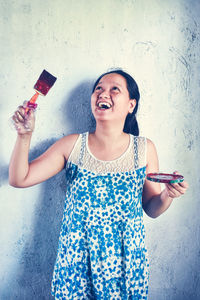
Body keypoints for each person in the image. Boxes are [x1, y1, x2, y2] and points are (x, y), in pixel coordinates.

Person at [9, 69, 188, 299]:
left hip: (126, 268)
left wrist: (168, 195)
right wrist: (24, 135)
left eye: (115, 89)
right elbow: (19, 179)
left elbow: (152, 208)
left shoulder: (144, 149)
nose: (103, 93)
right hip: (75, 266)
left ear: (131, 105)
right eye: (99, 89)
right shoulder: (71, 146)